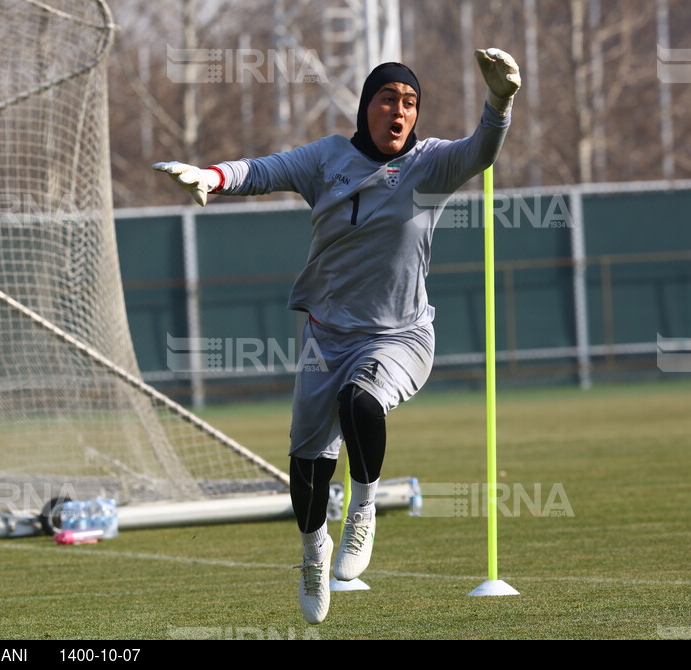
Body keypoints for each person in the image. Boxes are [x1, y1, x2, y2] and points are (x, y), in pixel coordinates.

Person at [154, 48, 520, 625]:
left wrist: (499, 100)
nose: (400, 111)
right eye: (388, 99)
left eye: (410, 103)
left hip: (400, 337)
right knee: (307, 463)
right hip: (326, 338)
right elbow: (265, 170)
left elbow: (483, 150)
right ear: (366, 108)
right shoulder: (328, 159)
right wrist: (212, 177)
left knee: (362, 400)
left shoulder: (430, 165)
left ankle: (365, 508)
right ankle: (311, 550)